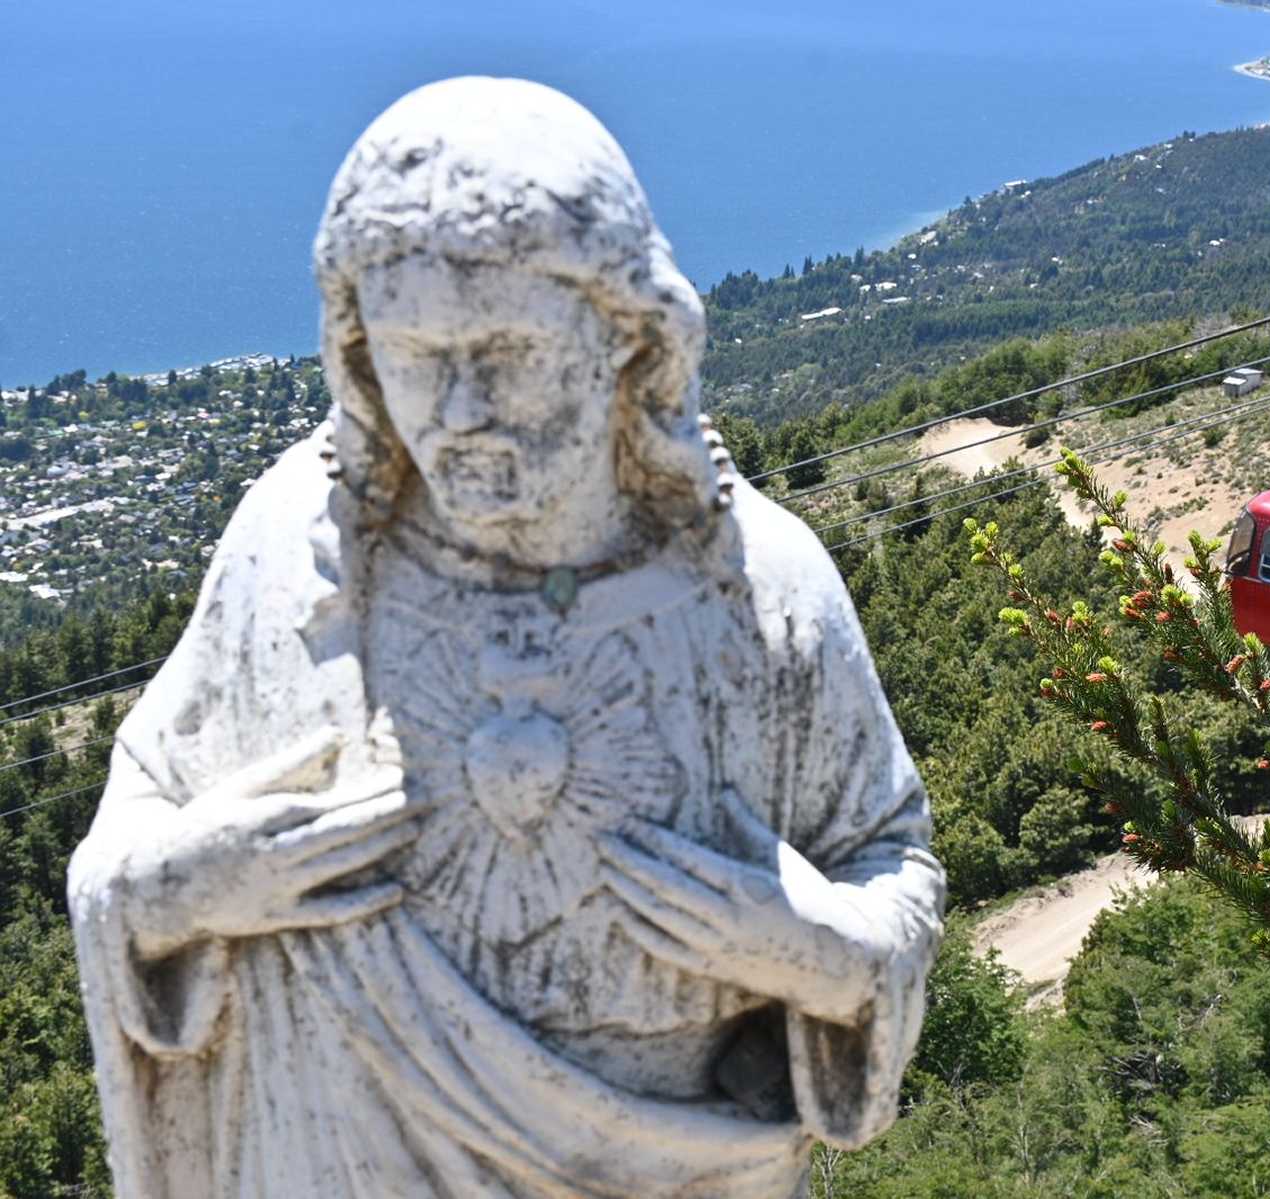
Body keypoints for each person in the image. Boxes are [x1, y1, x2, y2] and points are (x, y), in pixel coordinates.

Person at [69, 76, 945, 1199]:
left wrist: (816, 952)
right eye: (416, 358)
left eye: (510, 351)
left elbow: (890, 859)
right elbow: (132, 825)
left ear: (628, 339)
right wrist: (181, 891)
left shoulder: (755, 589)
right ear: (358, 355)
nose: (463, 406)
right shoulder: (296, 552)